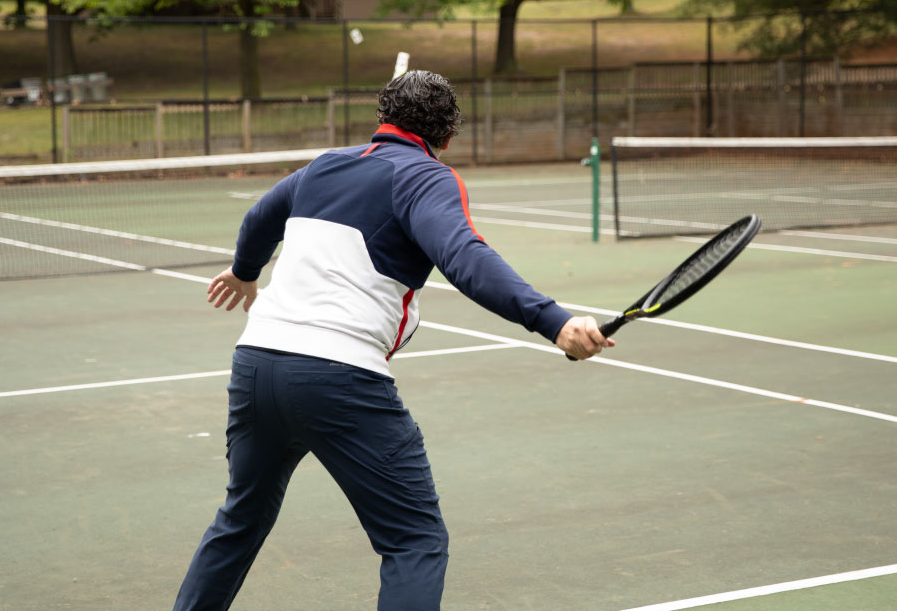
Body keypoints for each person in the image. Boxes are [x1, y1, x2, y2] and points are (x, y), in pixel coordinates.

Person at [171, 70, 613, 611]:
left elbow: (261, 218)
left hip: (256, 364)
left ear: (382, 117)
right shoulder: (428, 178)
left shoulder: (325, 166)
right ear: (447, 135)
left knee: (239, 519)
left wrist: (244, 271)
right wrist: (555, 322)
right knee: (415, 541)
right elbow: (465, 257)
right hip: (338, 378)